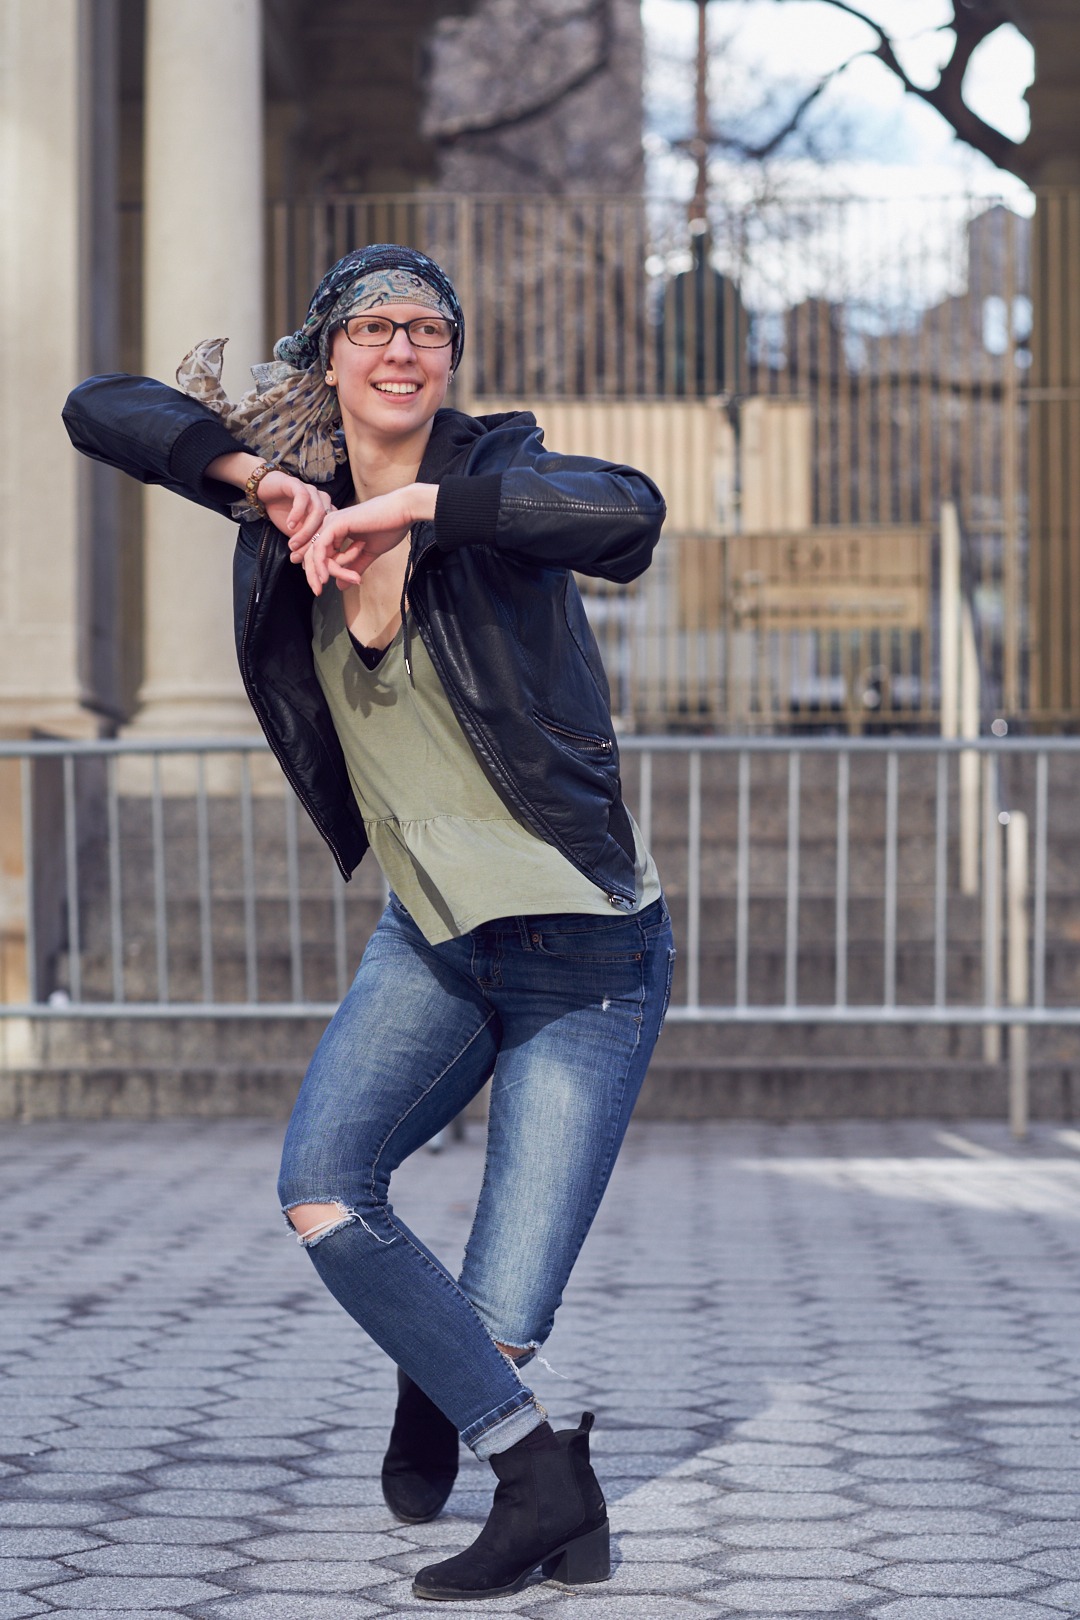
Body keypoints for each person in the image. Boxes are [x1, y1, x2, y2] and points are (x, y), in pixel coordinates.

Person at [63, 244, 675, 1603]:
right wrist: (250, 475)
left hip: (588, 954)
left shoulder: (500, 477)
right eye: (377, 329)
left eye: (432, 329)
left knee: (500, 1324)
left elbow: (625, 514)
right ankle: (538, 1481)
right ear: (328, 354)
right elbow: (100, 407)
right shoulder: (288, 501)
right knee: (327, 1194)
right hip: (435, 940)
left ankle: (473, 1393)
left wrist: (427, 513)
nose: (406, 351)